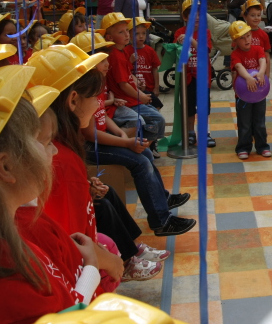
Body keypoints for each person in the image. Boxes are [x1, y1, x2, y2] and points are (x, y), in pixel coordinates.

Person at [0, 65, 101, 323]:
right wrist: (92, 269)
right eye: (43, 141)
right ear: (5, 166)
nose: (53, 152)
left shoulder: (2, 240)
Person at [26, 45, 164, 284]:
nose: (98, 102)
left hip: (84, 268)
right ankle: (128, 256)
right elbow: (75, 237)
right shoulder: (62, 158)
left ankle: (131, 248)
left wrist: (86, 186)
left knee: (106, 195)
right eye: (95, 97)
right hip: (83, 277)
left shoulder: (61, 145)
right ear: (73, 100)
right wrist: (104, 261)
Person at [71, 32, 196, 238]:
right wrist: (125, 142)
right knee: (140, 162)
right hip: (90, 147)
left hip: (102, 140)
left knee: (145, 155)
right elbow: (91, 134)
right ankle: (161, 221)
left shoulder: (97, 83)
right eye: (101, 58)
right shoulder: (85, 89)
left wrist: (120, 133)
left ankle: (162, 201)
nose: (107, 61)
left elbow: (101, 116)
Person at [103, 12, 166, 157]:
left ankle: (141, 147)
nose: (126, 34)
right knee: (156, 119)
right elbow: (123, 84)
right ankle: (138, 147)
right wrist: (141, 96)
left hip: (132, 98)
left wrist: (137, 83)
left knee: (156, 116)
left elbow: (127, 75)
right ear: (109, 37)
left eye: (126, 30)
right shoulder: (116, 55)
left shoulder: (122, 52)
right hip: (128, 101)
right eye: (121, 32)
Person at [174, 0, 216, 148]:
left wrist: (191, 40)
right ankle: (190, 132)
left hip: (203, 78)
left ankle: (205, 133)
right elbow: (176, 54)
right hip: (187, 78)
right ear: (185, 18)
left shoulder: (206, 32)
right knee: (189, 107)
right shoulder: (179, 32)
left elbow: (205, 52)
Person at [229, 20, 270, 159]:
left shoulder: (258, 49)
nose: (246, 39)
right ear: (235, 41)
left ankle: (262, 146)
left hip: (259, 94)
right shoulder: (235, 54)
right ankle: (243, 147)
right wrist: (248, 78)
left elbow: (263, 61)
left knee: (260, 121)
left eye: (248, 36)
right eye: (242, 38)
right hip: (242, 96)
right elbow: (239, 67)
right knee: (244, 123)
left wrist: (261, 73)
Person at [127, 17, 163, 110]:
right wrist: (130, 61)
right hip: (133, 90)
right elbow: (124, 70)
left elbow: (155, 69)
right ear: (129, 34)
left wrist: (156, 87)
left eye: (144, 33)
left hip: (149, 88)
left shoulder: (150, 50)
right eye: (137, 34)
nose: (141, 36)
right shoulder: (126, 51)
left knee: (156, 106)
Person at [242, 0, 271, 79]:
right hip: (244, 73)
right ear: (245, 16)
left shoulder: (264, 35)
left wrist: (267, 74)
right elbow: (235, 54)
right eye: (252, 15)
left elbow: (267, 56)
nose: (256, 18)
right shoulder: (241, 34)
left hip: (259, 73)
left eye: (258, 15)